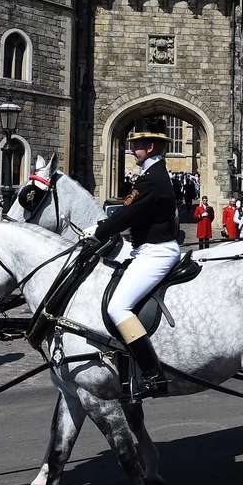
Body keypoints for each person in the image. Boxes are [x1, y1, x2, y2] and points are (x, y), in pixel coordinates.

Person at [84, 118, 180, 399]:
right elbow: (127, 208)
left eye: (137, 146)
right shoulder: (150, 175)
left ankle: (152, 373)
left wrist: (99, 231)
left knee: (118, 307)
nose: (132, 150)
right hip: (144, 248)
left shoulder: (154, 178)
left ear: (150, 147)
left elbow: (128, 213)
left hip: (157, 251)